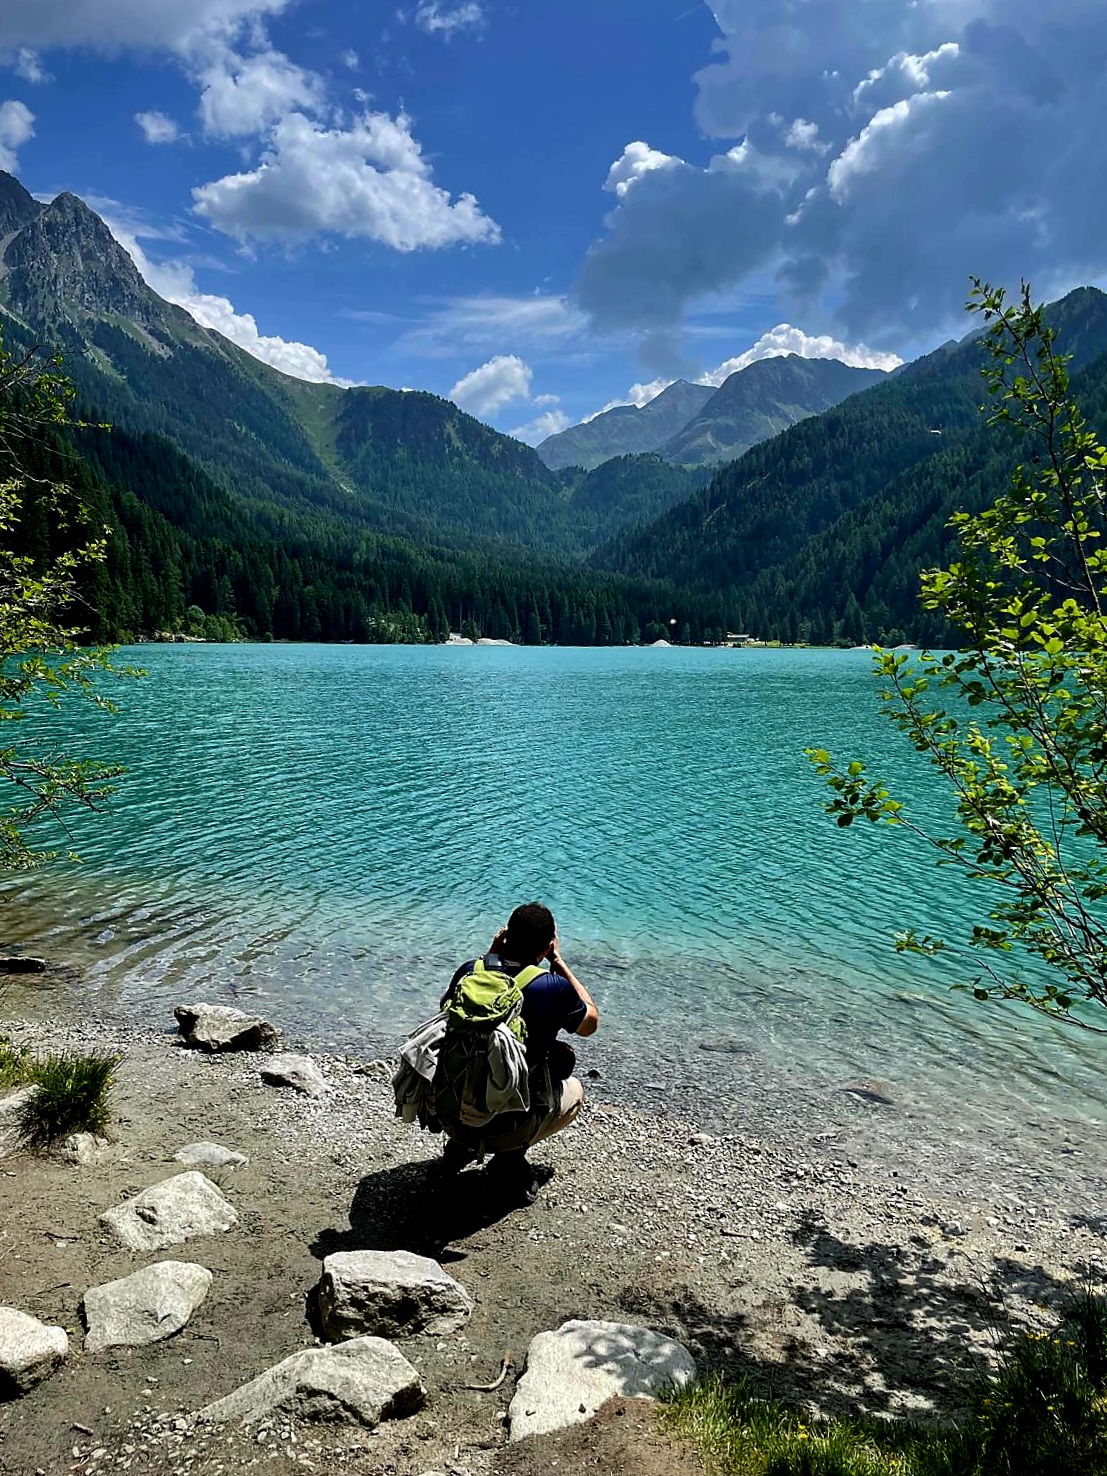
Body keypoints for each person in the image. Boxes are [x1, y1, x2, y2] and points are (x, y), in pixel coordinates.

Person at [437, 901, 599, 1204]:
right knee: (573, 1089)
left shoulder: (469, 971)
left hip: (451, 1116)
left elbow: (449, 1015)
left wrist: (491, 956)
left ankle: (462, 1147)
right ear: (547, 946)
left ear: (505, 936)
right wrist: (560, 962)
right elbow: (591, 1022)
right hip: (507, 1129)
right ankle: (509, 1160)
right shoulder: (552, 987)